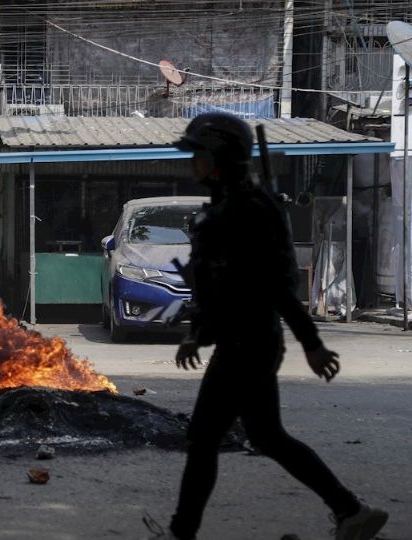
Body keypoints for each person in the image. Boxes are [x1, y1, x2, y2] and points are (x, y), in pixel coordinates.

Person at [147, 113, 388, 540]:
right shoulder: (222, 210)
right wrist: (196, 334)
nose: (193, 163)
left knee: (204, 439)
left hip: (249, 343)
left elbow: (276, 285)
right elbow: (219, 284)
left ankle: (182, 533)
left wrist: (312, 343)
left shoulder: (249, 210)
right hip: (242, 341)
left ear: (221, 158)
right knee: (268, 436)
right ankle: (351, 510)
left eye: (199, 154)